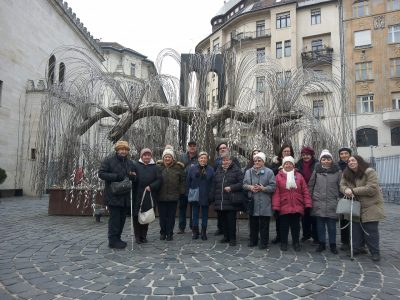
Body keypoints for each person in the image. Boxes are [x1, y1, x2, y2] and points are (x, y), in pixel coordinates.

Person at [340, 155, 385, 262]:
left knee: (371, 230)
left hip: (370, 205)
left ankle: (375, 252)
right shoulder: (346, 174)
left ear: (359, 161)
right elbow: (342, 185)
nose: (350, 162)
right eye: (349, 161)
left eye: (353, 160)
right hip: (355, 205)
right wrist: (345, 190)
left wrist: (353, 190)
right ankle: (357, 248)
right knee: (355, 229)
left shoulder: (369, 172)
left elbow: (372, 188)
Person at [98, 140, 136, 249]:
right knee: (114, 219)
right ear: (117, 150)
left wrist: (133, 176)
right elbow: (101, 173)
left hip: (125, 195)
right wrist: (116, 176)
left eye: (125, 149)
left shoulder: (129, 163)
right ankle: (112, 240)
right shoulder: (109, 160)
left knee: (122, 219)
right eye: (121, 149)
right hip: (113, 194)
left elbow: (133, 176)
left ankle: (118, 238)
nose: (123, 151)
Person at [272, 156, 312, 251]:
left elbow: (305, 191)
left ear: (293, 165)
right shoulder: (278, 177)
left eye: (290, 163)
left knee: (296, 227)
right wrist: (276, 207)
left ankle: (296, 242)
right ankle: (284, 242)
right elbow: (276, 193)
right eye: (286, 163)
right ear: (283, 165)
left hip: (297, 205)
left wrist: (307, 204)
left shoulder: (299, 176)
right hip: (284, 205)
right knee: (284, 226)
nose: (288, 165)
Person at [308, 149, 341, 254]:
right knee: (320, 225)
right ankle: (321, 243)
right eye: (324, 159)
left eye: (328, 159)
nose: (326, 161)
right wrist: (310, 198)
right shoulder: (316, 171)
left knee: (332, 226)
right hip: (318, 202)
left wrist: (340, 198)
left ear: (331, 160)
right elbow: (311, 185)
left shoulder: (338, 172)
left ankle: (333, 245)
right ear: (320, 160)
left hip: (332, 202)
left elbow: (341, 186)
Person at [243, 152, 276, 249]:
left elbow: (273, 187)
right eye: (255, 160)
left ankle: (264, 242)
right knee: (253, 223)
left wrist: (263, 188)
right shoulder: (248, 172)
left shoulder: (269, 172)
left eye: (259, 160)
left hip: (265, 202)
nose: (257, 162)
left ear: (263, 162)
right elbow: (244, 185)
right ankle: (253, 240)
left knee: (264, 224)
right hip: (253, 202)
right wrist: (250, 187)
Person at [132, 148, 162, 244]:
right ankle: (137, 236)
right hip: (137, 194)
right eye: (145, 155)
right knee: (136, 215)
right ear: (141, 156)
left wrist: (151, 187)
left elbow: (159, 180)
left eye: (148, 155)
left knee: (146, 215)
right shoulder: (136, 165)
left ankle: (143, 236)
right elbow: (132, 178)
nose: (147, 157)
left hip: (149, 194)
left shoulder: (155, 167)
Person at [213, 152, 244, 246]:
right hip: (220, 199)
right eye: (224, 160)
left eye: (227, 160)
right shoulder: (218, 170)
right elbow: (215, 184)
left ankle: (232, 238)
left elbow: (242, 183)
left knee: (231, 220)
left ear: (231, 160)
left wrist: (232, 187)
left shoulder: (236, 170)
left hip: (231, 199)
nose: (225, 162)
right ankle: (226, 236)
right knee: (223, 220)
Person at [268, 143, 295, 244]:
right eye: (285, 151)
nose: (287, 153)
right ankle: (279, 236)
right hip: (279, 193)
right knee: (279, 217)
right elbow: (270, 172)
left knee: (292, 219)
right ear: (281, 153)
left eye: (289, 151)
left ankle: (294, 238)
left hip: (292, 194)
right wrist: (278, 169)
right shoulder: (276, 162)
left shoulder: (294, 162)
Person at [157, 147, 185, 241]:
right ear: (163, 158)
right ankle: (163, 232)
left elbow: (182, 181)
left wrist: (181, 192)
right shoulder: (158, 167)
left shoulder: (178, 168)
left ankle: (169, 233)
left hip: (173, 197)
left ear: (172, 158)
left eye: (169, 157)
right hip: (161, 196)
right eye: (166, 157)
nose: (167, 159)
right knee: (162, 217)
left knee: (171, 217)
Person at [186, 151, 215, 240]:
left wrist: (211, 194)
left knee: (205, 215)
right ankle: (195, 232)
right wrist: (188, 193)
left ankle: (203, 232)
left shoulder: (211, 169)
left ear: (207, 159)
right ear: (198, 159)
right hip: (195, 194)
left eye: (204, 158)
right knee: (194, 214)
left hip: (205, 194)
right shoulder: (192, 169)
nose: (203, 159)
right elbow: (188, 181)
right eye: (201, 158)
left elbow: (213, 183)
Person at [296, 146, 319, 244]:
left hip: (314, 191)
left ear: (311, 155)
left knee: (314, 215)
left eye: (307, 155)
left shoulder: (317, 164)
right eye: (304, 155)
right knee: (304, 216)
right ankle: (306, 235)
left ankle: (315, 236)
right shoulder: (298, 164)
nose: (305, 156)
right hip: (302, 192)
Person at [177, 140, 198, 234]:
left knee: (193, 208)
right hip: (183, 186)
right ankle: (181, 227)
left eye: (194, 146)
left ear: (196, 147)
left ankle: (193, 226)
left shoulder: (199, 158)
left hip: (194, 186)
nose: (192, 147)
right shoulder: (182, 157)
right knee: (182, 207)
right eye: (190, 146)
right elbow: (178, 170)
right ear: (188, 147)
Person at [337, 147, 352, 250]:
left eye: (346, 153)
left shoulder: (355, 163)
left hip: (356, 194)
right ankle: (345, 242)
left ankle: (357, 241)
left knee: (356, 220)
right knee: (344, 220)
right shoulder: (337, 166)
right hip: (342, 195)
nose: (344, 155)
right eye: (341, 154)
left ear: (350, 154)